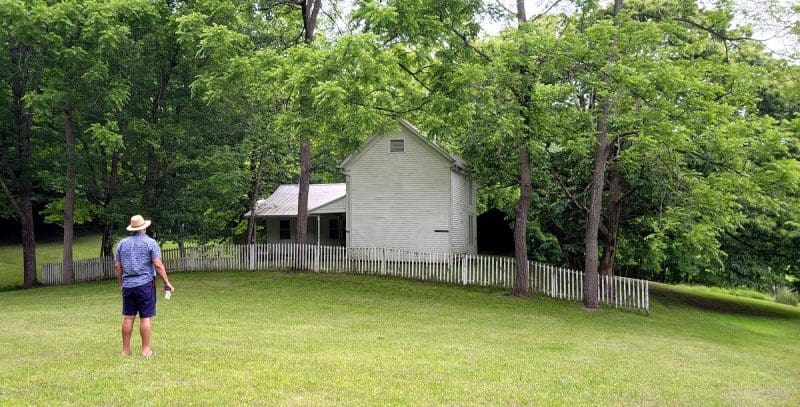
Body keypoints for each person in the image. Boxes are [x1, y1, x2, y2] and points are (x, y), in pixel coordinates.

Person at [114, 214, 174, 357]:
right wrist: (167, 282)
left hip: (128, 286)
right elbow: (158, 265)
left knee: (128, 317)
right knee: (145, 317)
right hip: (145, 285)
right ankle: (146, 350)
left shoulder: (122, 244)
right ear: (144, 228)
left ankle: (125, 350)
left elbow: (117, 267)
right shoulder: (150, 243)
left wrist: (121, 283)